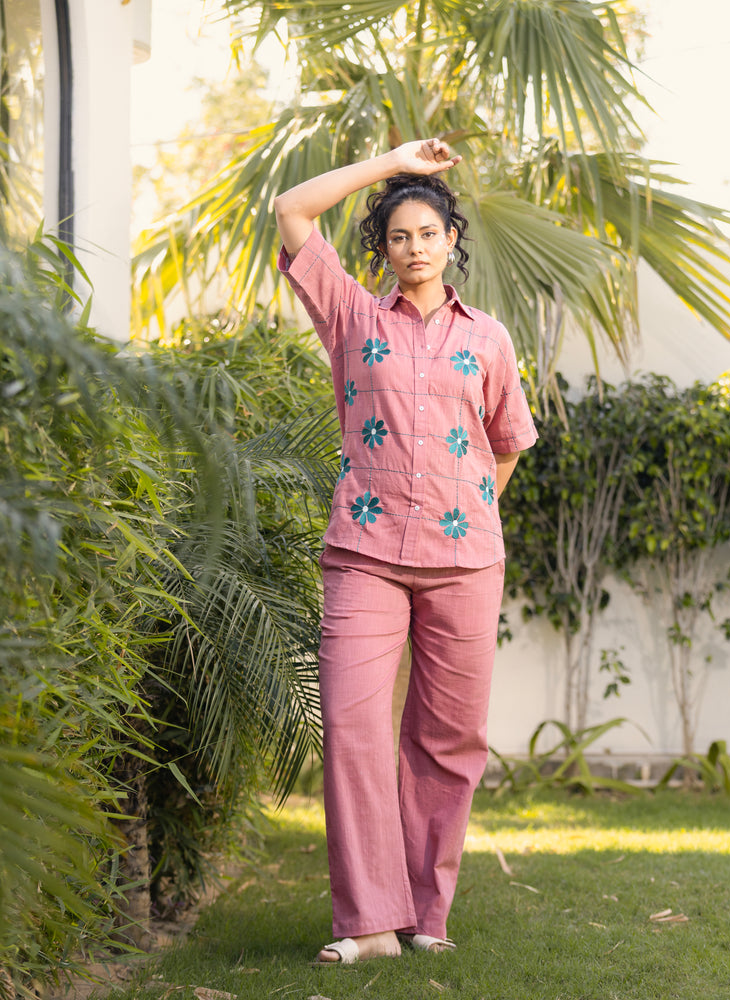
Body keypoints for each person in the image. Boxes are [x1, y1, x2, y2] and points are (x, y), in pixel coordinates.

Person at [275, 137, 538, 965]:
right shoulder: (352, 315)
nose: (415, 247)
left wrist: (468, 510)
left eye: (428, 232)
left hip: (465, 562)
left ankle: (428, 915)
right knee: (354, 726)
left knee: (448, 738)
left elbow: (507, 441)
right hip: (364, 551)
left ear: (451, 240)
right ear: (382, 248)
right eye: (399, 235)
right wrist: (391, 163)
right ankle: (368, 924)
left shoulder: (489, 339)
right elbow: (290, 209)